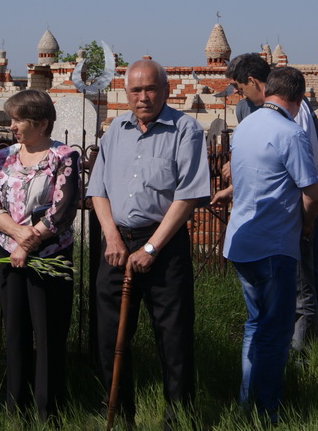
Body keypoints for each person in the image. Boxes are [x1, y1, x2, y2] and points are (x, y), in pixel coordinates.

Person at [88, 59, 210, 427]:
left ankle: (178, 419)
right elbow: (98, 189)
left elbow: (187, 196)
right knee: (110, 338)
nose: (144, 97)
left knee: (173, 339)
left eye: (151, 89)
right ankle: (121, 416)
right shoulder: (115, 131)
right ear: (126, 93)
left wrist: (152, 248)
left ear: (166, 90)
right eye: (136, 90)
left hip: (163, 245)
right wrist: (110, 235)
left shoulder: (184, 130)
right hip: (116, 244)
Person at [223, 66, 318, 423]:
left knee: (256, 325)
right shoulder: (290, 131)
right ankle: (265, 411)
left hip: (241, 240)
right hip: (274, 243)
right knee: (276, 331)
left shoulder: (247, 124)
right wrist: (307, 225)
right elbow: (312, 194)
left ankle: (245, 402)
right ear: (299, 98)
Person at [0, 89, 80, 421]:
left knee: (49, 333)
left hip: (49, 257)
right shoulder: (5, 156)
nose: (12, 126)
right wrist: (15, 235)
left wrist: (29, 243)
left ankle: (47, 411)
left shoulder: (64, 156)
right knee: (15, 331)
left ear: (41, 123)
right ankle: (16, 407)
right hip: (10, 255)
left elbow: (63, 208)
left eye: (18, 120)